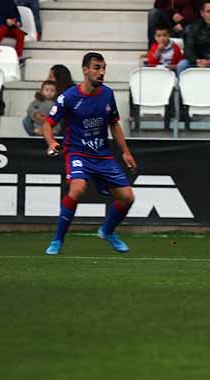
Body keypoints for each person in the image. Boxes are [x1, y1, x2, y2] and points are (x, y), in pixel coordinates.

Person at [42, 52, 138, 256]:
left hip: (102, 155)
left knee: (128, 197)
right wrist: (51, 142)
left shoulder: (107, 94)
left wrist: (126, 152)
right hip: (77, 153)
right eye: (96, 67)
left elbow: (114, 124)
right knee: (77, 189)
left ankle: (107, 231)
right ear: (85, 70)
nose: (101, 72)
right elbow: (47, 124)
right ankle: (57, 240)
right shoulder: (68, 97)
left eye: (103, 68)